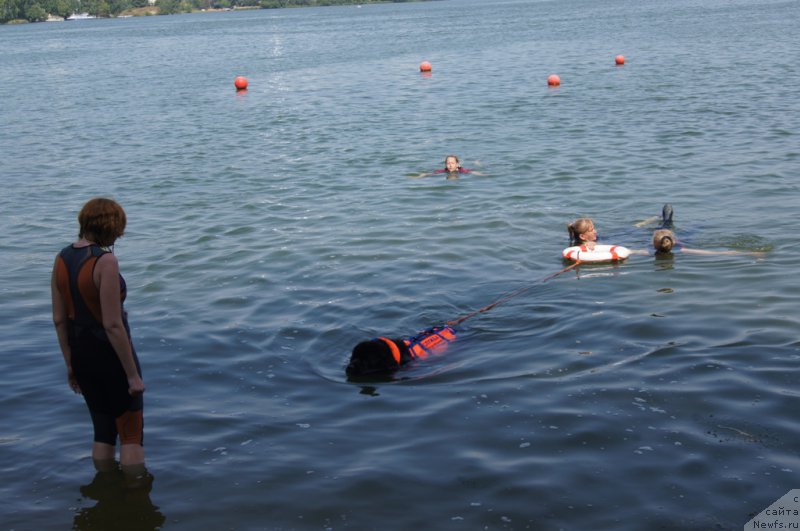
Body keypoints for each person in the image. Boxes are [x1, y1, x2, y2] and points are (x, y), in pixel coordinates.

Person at [51, 198, 146, 476]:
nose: (120, 234)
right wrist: (132, 376)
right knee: (130, 435)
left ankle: (104, 491)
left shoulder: (61, 258)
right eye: (119, 228)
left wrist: (70, 364)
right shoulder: (105, 261)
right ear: (110, 227)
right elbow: (112, 324)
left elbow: (59, 319)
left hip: (80, 353)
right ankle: (135, 501)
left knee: (102, 431)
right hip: (110, 355)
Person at [346, 325, 457, 377]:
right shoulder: (383, 356)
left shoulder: (411, 367)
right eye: (354, 358)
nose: (352, 364)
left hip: (460, 337)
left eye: (363, 361)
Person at [412, 155, 484, 178]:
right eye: (448, 163)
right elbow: (428, 174)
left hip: (469, 169)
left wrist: (484, 175)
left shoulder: (462, 171)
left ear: (457, 164)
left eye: (452, 163)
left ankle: (476, 163)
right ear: (445, 164)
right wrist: (419, 176)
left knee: (476, 166)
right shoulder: (443, 171)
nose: (450, 165)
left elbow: (473, 172)